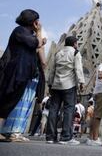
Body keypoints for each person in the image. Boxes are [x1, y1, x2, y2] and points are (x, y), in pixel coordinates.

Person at [0, 9, 46, 142]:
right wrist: (38, 34)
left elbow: (36, 45)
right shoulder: (20, 31)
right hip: (15, 71)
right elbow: (35, 43)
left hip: (22, 72)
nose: (39, 23)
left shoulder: (27, 33)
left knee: (11, 101)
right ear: (33, 21)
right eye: (37, 20)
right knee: (7, 99)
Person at [46, 36, 85, 145]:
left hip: (56, 85)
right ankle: (66, 137)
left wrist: (50, 83)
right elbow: (78, 69)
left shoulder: (58, 53)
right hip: (69, 85)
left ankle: (50, 137)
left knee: (53, 110)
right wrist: (81, 82)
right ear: (75, 44)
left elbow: (52, 70)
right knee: (68, 110)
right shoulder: (75, 53)